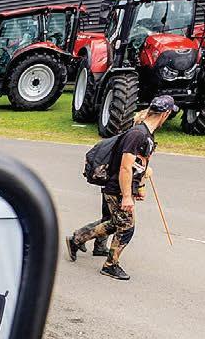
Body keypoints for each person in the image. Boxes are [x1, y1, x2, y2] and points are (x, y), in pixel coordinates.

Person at [67, 95, 177, 281]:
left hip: (122, 186)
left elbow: (138, 166)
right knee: (126, 228)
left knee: (115, 223)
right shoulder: (138, 134)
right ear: (164, 114)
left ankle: (77, 238)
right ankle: (110, 265)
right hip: (117, 187)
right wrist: (126, 196)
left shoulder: (146, 134)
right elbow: (125, 167)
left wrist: (139, 187)